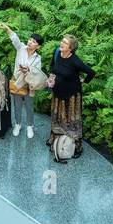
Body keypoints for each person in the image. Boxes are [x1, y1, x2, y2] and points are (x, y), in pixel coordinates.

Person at [46, 34, 95, 163]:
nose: (61, 43)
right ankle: (56, 140)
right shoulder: (58, 53)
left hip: (71, 96)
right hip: (58, 94)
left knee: (71, 121)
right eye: (62, 40)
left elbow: (91, 72)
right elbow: (53, 67)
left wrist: (84, 81)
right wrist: (51, 77)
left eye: (65, 43)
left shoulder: (75, 61)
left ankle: (77, 147)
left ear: (71, 48)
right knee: (58, 118)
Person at [0, 22, 44, 139]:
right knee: (17, 105)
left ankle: (30, 126)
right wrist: (7, 29)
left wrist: (27, 70)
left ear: (38, 46)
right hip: (17, 82)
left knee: (29, 106)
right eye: (30, 40)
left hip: (29, 85)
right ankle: (18, 124)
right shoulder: (21, 48)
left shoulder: (38, 58)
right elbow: (15, 39)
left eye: (34, 42)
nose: (30, 42)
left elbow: (37, 73)